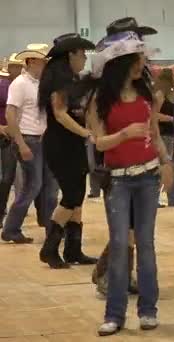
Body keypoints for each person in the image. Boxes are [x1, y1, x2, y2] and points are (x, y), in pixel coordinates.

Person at [88, 30, 173, 336]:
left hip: (149, 177)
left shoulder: (148, 95)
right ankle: (114, 314)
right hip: (119, 180)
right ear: (120, 63)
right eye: (136, 59)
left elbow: (155, 134)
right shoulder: (100, 99)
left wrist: (166, 162)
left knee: (146, 245)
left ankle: (148, 310)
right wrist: (123, 135)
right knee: (122, 245)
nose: (142, 64)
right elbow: (98, 143)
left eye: (142, 58)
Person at [37, 33, 98, 269]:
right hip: (60, 144)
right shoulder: (60, 78)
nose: (84, 59)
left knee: (78, 197)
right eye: (82, 54)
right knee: (72, 196)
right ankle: (49, 249)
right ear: (70, 54)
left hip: (72, 144)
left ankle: (73, 249)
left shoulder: (71, 78)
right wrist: (85, 133)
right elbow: (60, 113)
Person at [1, 43, 59, 244]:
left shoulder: (40, 84)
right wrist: (21, 144)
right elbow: (10, 113)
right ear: (32, 61)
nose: (45, 64)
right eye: (43, 61)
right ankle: (11, 228)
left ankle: (52, 227)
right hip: (28, 139)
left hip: (42, 140)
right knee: (32, 187)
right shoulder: (20, 84)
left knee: (49, 186)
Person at [0, 53, 24, 228]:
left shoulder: (20, 86)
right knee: (5, 177)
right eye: (14, 66)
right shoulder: (2, 85)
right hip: (4, 132)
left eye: (19, 66)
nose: (17, 69)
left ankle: (4, 213)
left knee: (10, 177)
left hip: (14, 134)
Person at [155, 68, 174, 207]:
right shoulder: (160, 95)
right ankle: (157, 197)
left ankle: (173, 197)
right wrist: (170, 118)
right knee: (163, 165)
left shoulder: (171, 95)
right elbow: (154, 115)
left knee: (172, 166)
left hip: (171, 134)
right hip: (163, 134)